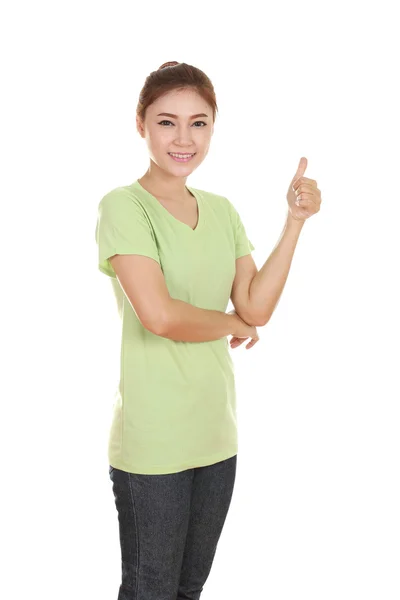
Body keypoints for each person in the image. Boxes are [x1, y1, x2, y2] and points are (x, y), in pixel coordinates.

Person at [95, 61, 320, 599]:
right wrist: (232, 323)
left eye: (199, 123)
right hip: (154, 440)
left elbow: (255, 307)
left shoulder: (221, 211)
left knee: (189, 588)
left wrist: (294, 223)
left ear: (212, 129)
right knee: (152, 588)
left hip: (216, 432)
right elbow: (161, 315)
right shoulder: (123, 207)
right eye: (167, 121)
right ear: (141, 125)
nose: (183, 137)